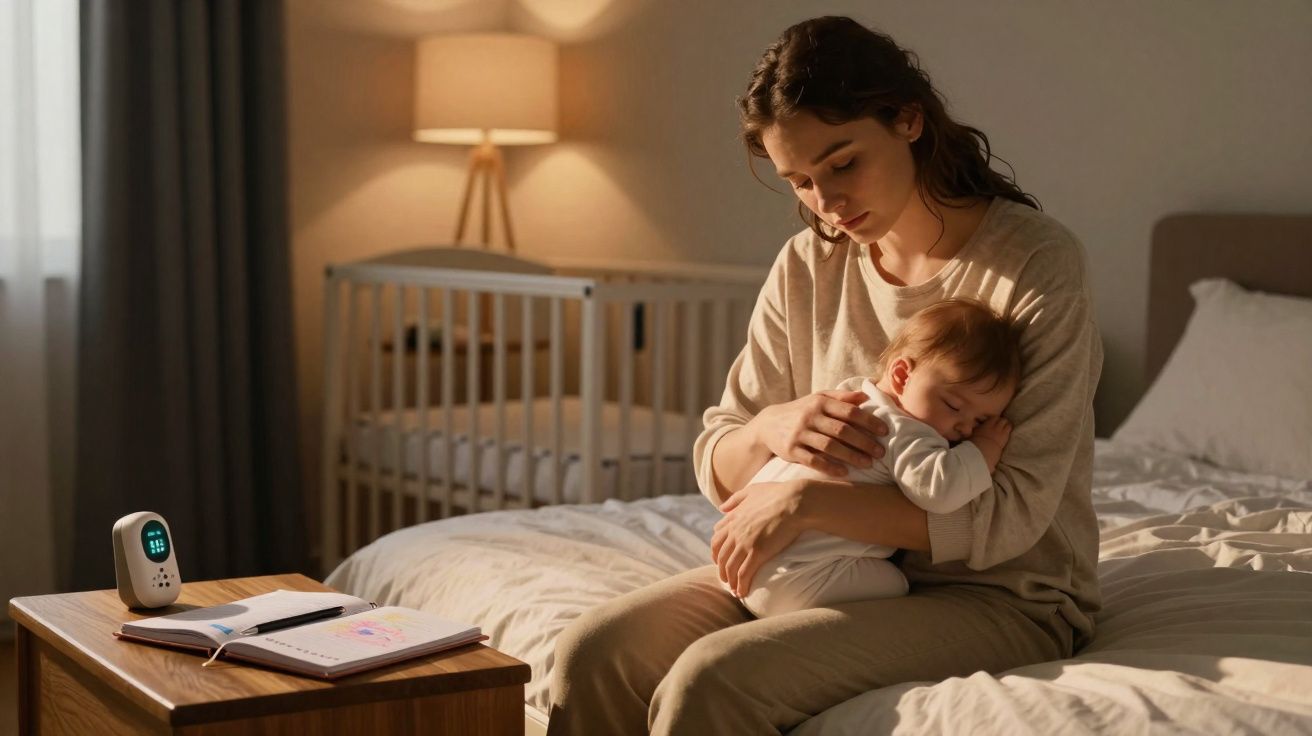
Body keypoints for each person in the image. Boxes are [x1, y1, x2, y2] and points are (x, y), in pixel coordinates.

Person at [547, 15, 1102, 735]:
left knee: (714, 681)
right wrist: (772, 428)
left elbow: (1014, 513)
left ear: (908, 120)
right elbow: (719, 455)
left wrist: (809, 504)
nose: (827, 204)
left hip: (999, 594)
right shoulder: (809, 264)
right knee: (593, 653)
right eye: (801, 182)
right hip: (814, 567)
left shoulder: (1034, 264)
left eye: (842, 164)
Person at [730, 298, 1021, 618]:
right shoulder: (907, 431)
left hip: (739, 560)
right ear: (902, 375)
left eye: (980, 421)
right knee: (896, 584)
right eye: (953, 406)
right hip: (801, 581)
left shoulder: (851, 397)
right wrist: (983, 449)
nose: (964, 428)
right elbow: (941, 491)